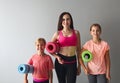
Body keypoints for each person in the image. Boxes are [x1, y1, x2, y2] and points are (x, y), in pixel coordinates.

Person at [50, 12, 81, 83]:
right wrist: (57, 57)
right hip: (60, 61)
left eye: (68, 19)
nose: (66, 21)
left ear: (71, 21)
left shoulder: (76, 33)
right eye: (63, 19)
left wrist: (79, 66)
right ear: (61, 21)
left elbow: (78, 50)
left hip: (72, 61)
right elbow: (49, 49)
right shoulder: (57, 34)